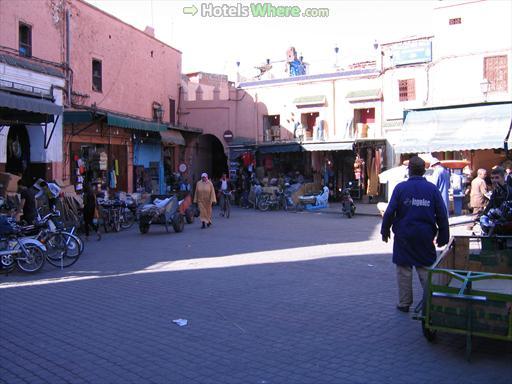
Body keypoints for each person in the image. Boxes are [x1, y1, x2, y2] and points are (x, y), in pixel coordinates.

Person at [381, 156, 450, 313]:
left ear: (409, 170)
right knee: (425, 268)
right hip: (425, 236)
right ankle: (431, 301)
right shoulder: (432, 189)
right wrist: (443, 235)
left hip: (403, 236)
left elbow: (390, 212)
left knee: (404, 270)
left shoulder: (400, 188)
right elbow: (442, 214)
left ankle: (404, 303)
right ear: (424, 171)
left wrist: (385, 231)